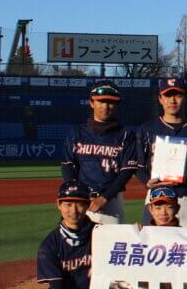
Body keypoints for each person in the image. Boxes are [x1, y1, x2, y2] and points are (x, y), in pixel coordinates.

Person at [136, 76, 187, 227]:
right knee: (153, 239)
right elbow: (139, 165)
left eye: (177, 95)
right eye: (167, 95)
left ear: (185, 97)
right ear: (160, 99)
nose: (172, 100)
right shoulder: (147, 129)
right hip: (157, 197)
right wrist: (147, 181)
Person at [60, 79, 139, 224]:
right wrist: (78, 194)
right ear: (91, 102)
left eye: (111, 102)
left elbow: (126, 171)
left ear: (116, 104)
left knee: (111, 239)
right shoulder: (77, 132)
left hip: (111, 201)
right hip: (81, 201)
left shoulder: (126, 135)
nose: (105, 106)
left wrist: (105, 197)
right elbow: (68, 166)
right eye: (101, 101)